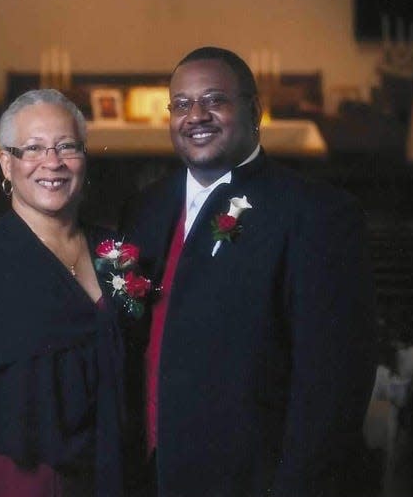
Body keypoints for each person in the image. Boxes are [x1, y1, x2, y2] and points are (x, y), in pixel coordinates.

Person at [121, 47, 376, 496]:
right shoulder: (146, 207)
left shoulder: (316, 214)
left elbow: (333, 385)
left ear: (254, 110)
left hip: (250, 480)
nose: (196, 115)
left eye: (214, 100)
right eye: (181, 104)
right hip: (151, 472)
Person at [0, 89, 138, 496]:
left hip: (108, 473)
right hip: (23, 480)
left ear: (84, 157)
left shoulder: (112, 251)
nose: (52, 163)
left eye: (66, 147)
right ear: (7, 162)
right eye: (33, 149)